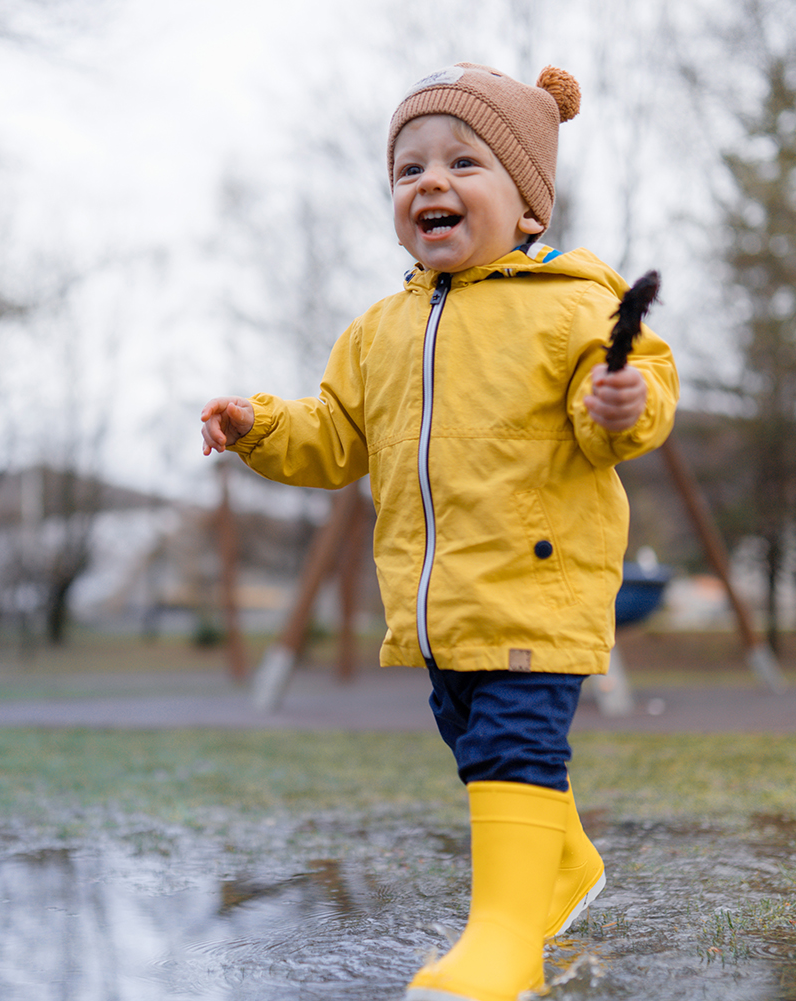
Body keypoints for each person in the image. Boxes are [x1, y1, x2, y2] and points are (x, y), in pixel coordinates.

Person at [199, 63, 678, 1001]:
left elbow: (623, 404)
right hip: (436, 599)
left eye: (466, 161)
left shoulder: (575, 304)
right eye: (408, 167)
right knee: (473, 741)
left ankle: (505, 941)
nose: (431, 182)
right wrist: (262, 424)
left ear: (528, 207)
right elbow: (335, 435)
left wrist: (622, 400)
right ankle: (567, 861)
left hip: (539, 583)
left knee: (512, 749)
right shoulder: (378, 330)